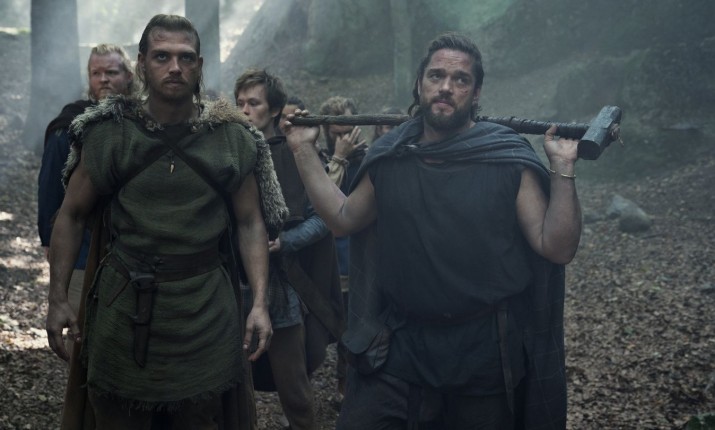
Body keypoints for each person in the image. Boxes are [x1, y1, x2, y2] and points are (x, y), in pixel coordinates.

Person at [284, 32, 582, 429]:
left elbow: (556, 247)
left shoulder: (506, 160)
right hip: (400, 343)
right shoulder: (391, 156)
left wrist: (563, 168)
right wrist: (302, 150)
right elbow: (342, 218)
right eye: (436, 75)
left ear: (476, 93)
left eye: (460, 79)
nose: (446, 87)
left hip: (484, 351)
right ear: (420, 83)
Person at [45, 14, 286, 429]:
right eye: (162, 56)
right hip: (123, 306)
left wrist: (260, 304)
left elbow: (250, 223)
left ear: (199, 65)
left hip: (203, 310)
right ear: (141, 63)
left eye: (186, 57)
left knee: (199, 418)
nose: (175, 67)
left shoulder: (231, 139)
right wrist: (58, 298)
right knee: (118, 416)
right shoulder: (110, 134)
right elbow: (71, 215)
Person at [234, 68, 343, 430]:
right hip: (233, 284)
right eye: (240, 103)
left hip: (283, 286)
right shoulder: (229, 153)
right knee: (229, 390)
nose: (245, 110)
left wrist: (286, 242)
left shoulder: (298, 155)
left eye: (254, 103)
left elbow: (325, 217)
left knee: (294, 389)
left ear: (274, 109)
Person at [37, 44, 134, 348]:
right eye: (96, 73)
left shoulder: (144, 122)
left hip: (134, 255)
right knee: (83, 343)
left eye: (111, 72)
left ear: (129, 76)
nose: (103, 79)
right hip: (81, 252)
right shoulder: (69, 126)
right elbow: (50, 190)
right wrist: (50, 242)